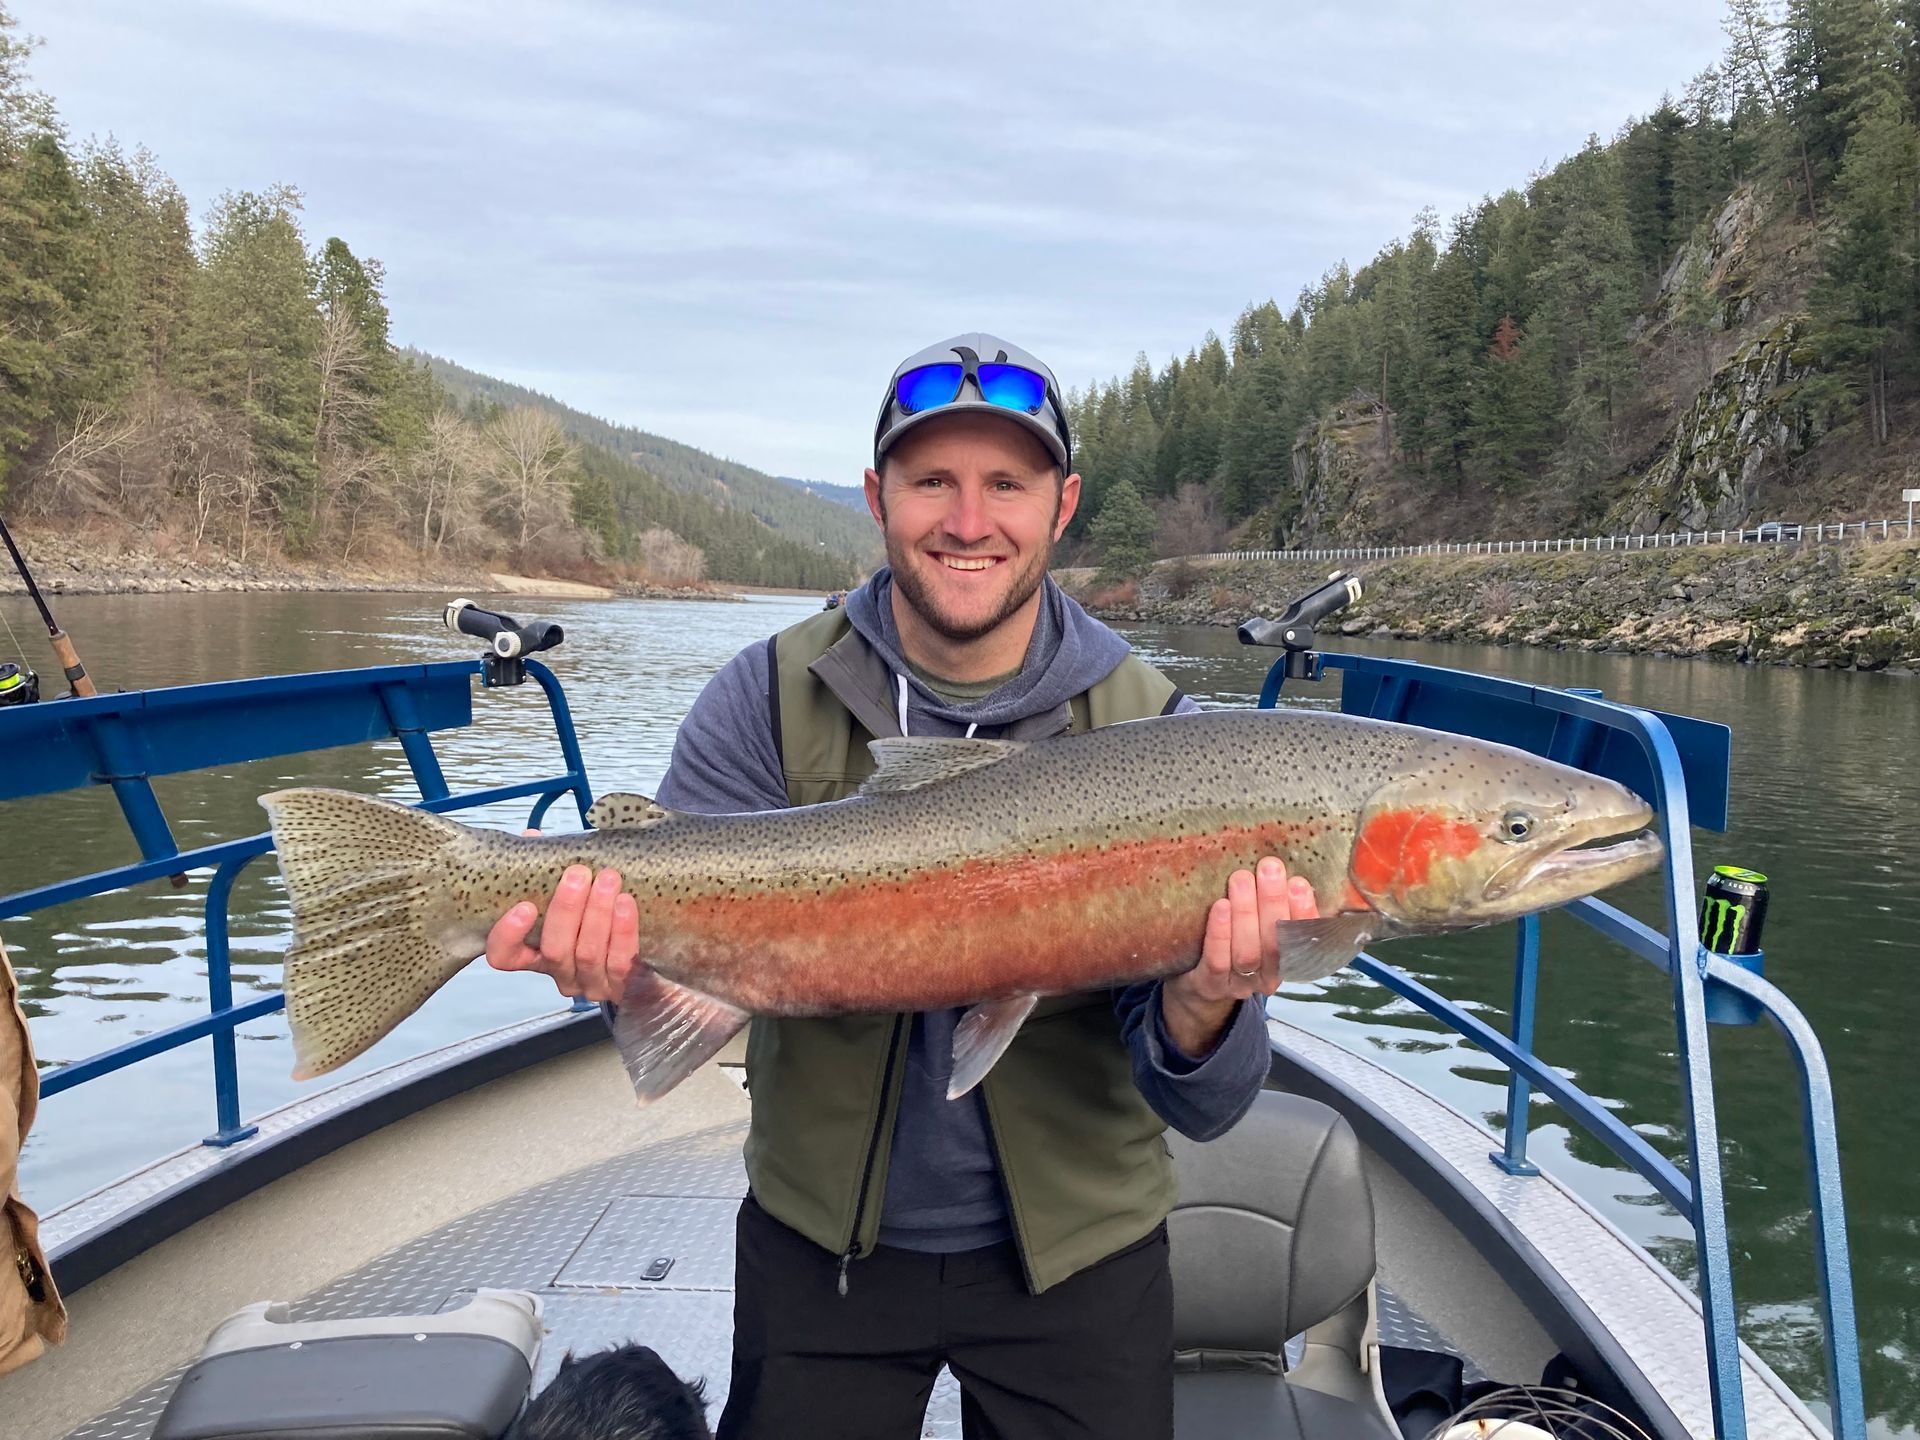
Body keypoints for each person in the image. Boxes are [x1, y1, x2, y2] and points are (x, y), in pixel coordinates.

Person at [485, 333, 1319, 1440]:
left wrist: (1209, 1001)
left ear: (1060, 505)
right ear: (877, 497)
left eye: (1005, 485)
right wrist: (609, 971)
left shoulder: (1159, 732)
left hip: (1084, 1255)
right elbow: (671, 973)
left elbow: (1207, 1107)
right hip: (819, 1246)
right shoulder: (767, 695)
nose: (968, 521)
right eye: (933, 481)